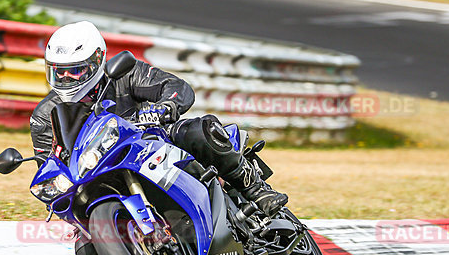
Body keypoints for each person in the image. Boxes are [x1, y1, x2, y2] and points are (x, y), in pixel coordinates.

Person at [29, 20, 288, 218]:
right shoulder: (43, 117)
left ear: (98, 61)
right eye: (59, 72)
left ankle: (254, 188)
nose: (67, 80)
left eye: (76, 71)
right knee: (87, 251)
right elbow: (50, 169)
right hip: (101, 174)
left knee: (199, 131)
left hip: (151, 144)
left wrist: (165, 107)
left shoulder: (123, 74)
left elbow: (176, 87)